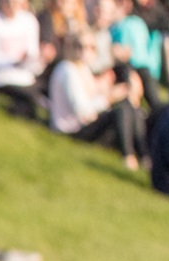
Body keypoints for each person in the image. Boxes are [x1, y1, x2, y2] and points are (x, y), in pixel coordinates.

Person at [49, 32, 143, 170]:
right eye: (81, 46)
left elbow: (91, 94)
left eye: (91, 47)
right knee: (122, 111)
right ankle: (129, 156)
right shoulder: (67, 70)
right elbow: (82, 109)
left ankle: (142, 155)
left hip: (84, 124)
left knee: (130, 108)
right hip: (71, 129)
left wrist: (112, 90)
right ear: (71, 47)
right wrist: (109, 98)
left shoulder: (82, 68)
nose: (86, 51)